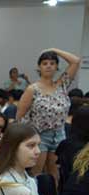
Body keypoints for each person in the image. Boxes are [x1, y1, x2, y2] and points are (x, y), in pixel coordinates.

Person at [17, 49, 81, 182]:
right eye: (45, 63)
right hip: (39, 134)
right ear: (39, 67)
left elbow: (75, 61)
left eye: (52, 63)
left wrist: (53, 50)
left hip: (59, 134)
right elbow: (20, 116)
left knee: (56, 174)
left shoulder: (62, 84)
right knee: (36, 174)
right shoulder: (33, 89)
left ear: (57, 67)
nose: (49, 66)